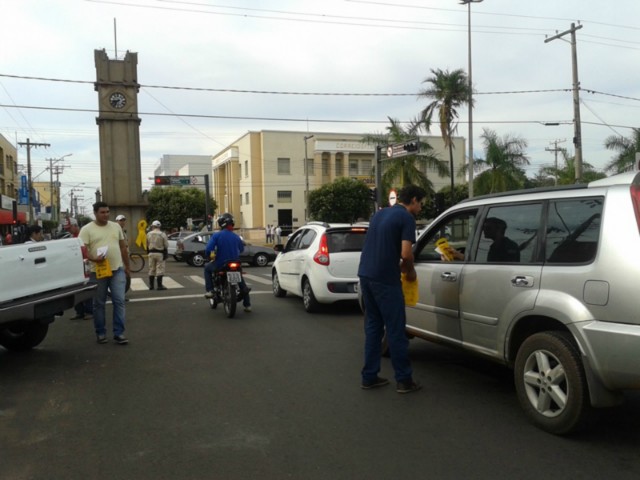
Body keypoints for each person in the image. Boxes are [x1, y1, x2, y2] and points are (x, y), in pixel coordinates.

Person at [358, 184, 426, 394]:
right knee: (396, 330)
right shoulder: (406, 218)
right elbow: (406, 254)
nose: (421, 208)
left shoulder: (379, 215)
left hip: (366, 275)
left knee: (373, 328)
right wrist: (410, 272)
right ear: (413, 200)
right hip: (386, 280)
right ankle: (404, 380)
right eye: (421, 203)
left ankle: (369, 377)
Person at [79, 201, 130, 345]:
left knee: (119, 301)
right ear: (95, 213)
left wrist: (127, 266)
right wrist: (94, 258)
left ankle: (119, 333)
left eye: (107, 212)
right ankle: (100, 333)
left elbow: (123, 247)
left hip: (117, 270)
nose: (106, 215)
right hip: (98, 272)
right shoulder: (87, 229)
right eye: (102, 212)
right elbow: (82, 251)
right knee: (99, 303)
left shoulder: (116, 227)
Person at [203, 213, 252, 313]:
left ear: (221, 223)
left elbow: (209, 249)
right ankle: (247, 305)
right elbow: (241, 249)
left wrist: (208, 256)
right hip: (236, 263)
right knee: (242, 283)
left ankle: (211, 291)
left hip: (221, 264)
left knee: (207, 269)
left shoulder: (217, 235)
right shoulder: (236, 237)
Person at [68, 218, 95, 320]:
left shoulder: (83, 236)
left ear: (75, 226)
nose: (68, 230)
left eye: (69, 228)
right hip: (75, 266)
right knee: (75, 290)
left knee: (86, 289)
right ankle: (79, 311)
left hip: (85, 265)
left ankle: (89, 311)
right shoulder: (71, 237)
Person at [146, 220, 169, 290]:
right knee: (160, 269)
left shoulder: (149, 234)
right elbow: (166, 245)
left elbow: (147, 244)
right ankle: (159, 286)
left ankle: (151, 286)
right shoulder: (162, 234)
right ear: (160, 226)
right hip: (160, 253)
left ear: (153, 226)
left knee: (151, 269)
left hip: (151, 253)